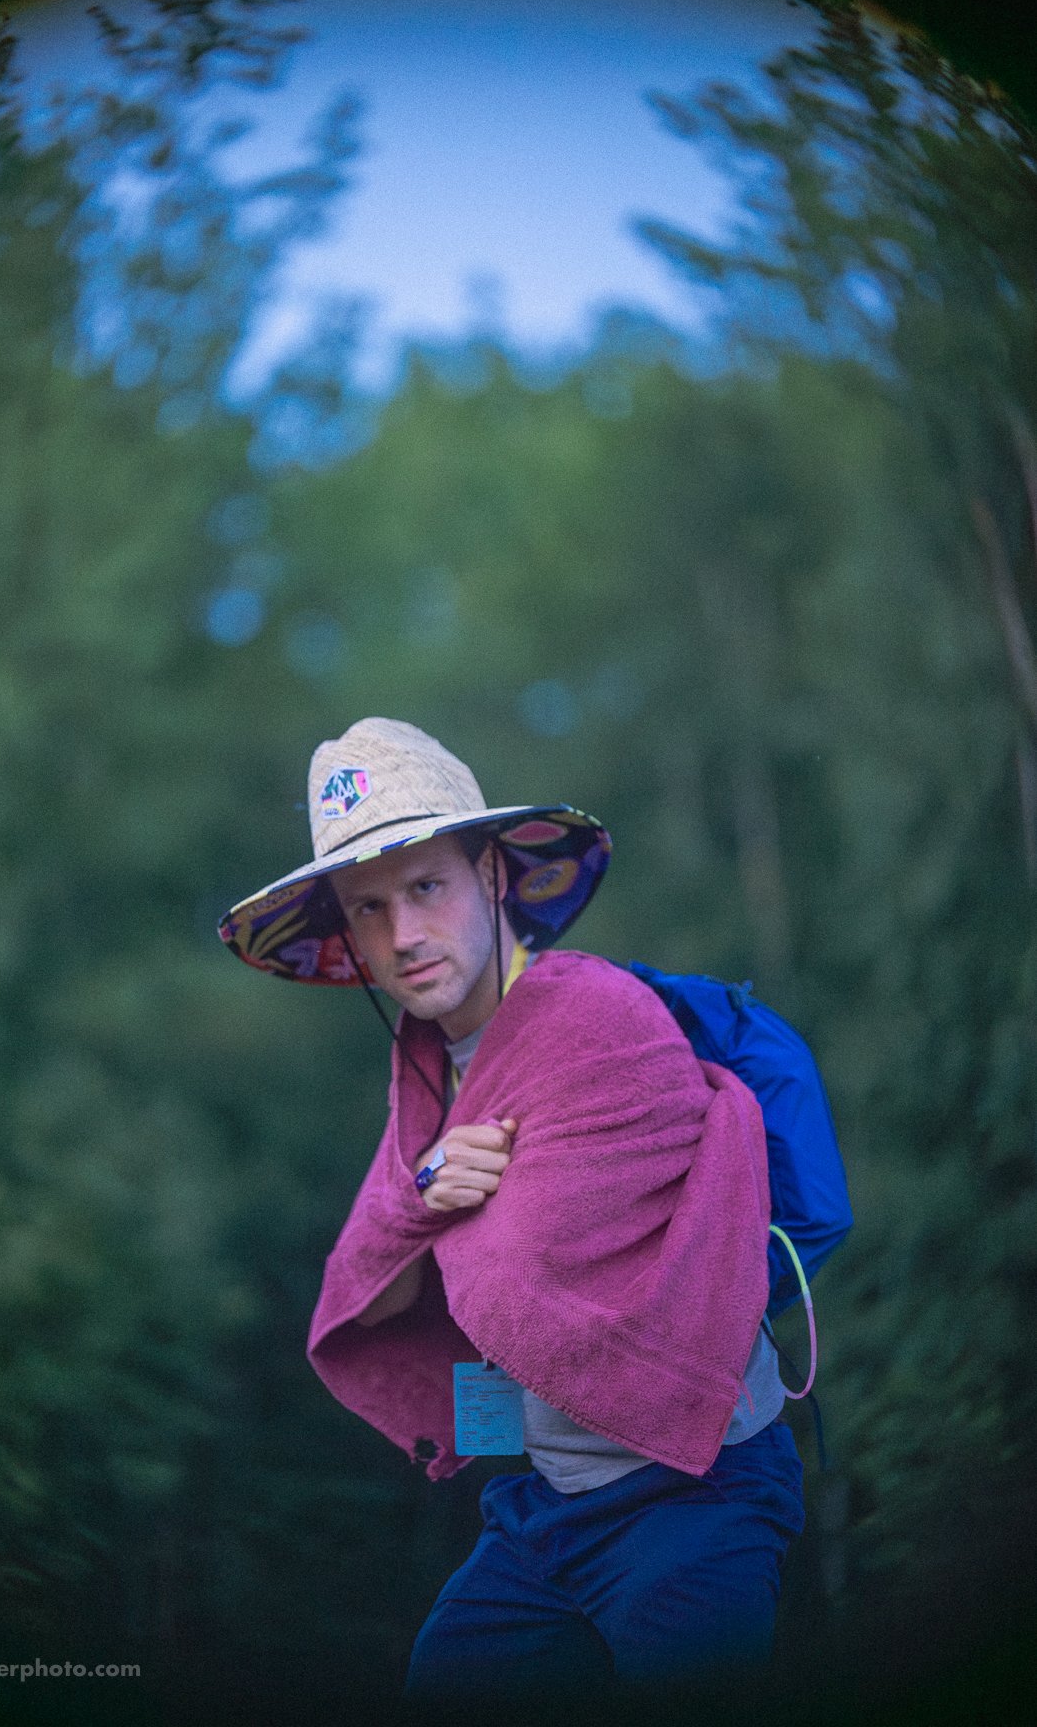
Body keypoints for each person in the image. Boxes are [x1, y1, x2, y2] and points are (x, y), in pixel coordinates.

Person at [219, 716, 805, 1700]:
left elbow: (518, 1266)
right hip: (547, 1508)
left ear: (492, 877)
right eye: (367, 909)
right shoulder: (423, 1066)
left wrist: (432, 1212)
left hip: (692, 1491)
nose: (401, 936)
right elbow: (368, 1295)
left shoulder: (594, 1019)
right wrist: (425, 1198)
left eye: (424, 888)